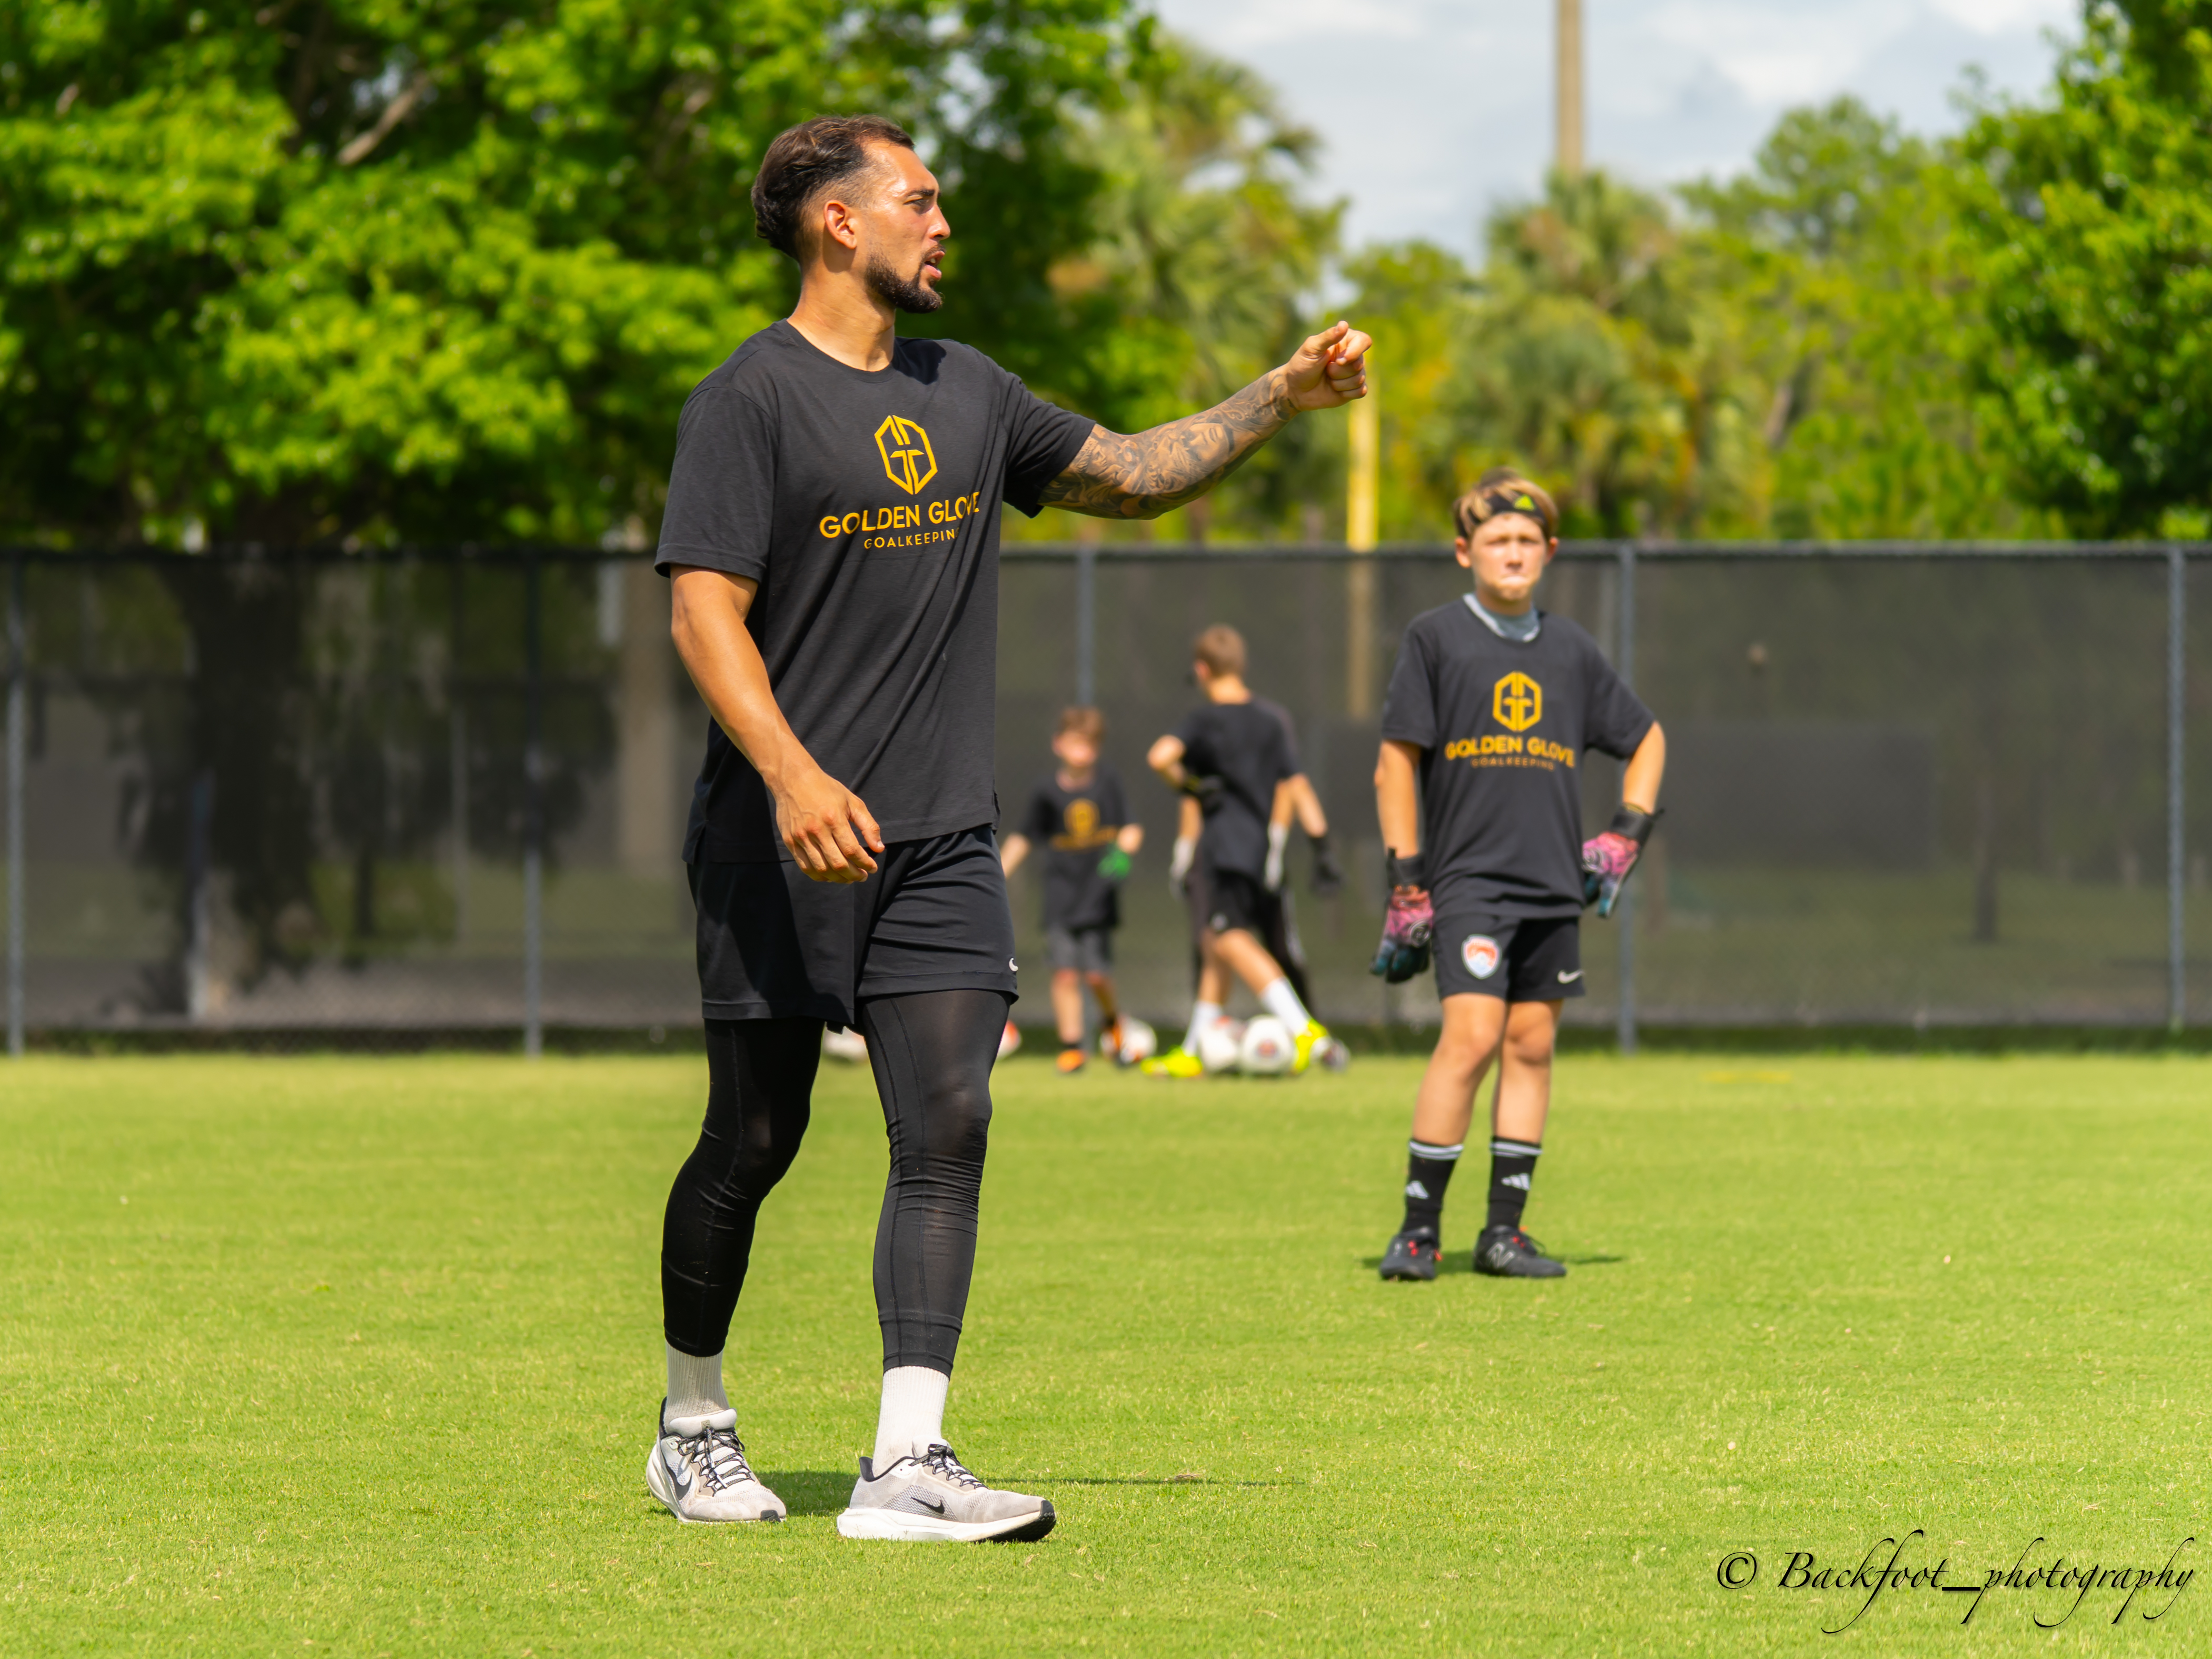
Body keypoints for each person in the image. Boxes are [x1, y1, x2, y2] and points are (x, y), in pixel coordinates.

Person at [647, 112, 1371, 1539]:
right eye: (920, 198)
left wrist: (1279, 394)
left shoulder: (970, 389)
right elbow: (699, 611)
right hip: (778, 835)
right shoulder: (747, 400)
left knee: (952, 1117)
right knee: (756, 1130)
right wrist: (793, 777)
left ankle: (906, 1458)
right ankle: (692, 1420)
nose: (943, 222)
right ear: (836, 222)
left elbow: (1137, 472)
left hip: (940, 834)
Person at [1369, 474, 1665, 1281]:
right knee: (1470, 1037)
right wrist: (1406, 876)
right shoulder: (1435, 639)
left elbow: (1645, 737)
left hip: (1551, 883)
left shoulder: (1570, 649)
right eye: (1496, 540)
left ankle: (1504, 1232)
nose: (1512, 553)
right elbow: (1395, 762)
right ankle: (1418, 1231)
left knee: (1531, 1045)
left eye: (1527, 541)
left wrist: (1626, 831)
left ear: (1550, 552)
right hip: (1467, 880)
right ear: (1465, 551)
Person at [1142, 625, 1338, 1078]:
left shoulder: (1203, 720)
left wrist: (1190, 784)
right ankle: (1194, 1049)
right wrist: (1321, 846)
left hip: (1222, 845)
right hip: (1257, 843)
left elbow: (1159, 757)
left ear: (1201, 669)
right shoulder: (1272, 718)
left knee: (1230, 936)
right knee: (1215, 944)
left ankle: (1304, 1028)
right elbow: (1295, 782)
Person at [999, 706, 1144, 1072]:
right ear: (1058, 745)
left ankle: (1113, 1027)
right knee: (1064, 973)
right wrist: (996, 872)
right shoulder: (1045, 791)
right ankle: (1072, 1047)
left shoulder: (1108, 783)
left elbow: (1131, 829)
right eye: (1075, 743)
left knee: (1096, 974)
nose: (1082, 751)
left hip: (1097, 897)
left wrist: (1124, 850)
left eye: (1090, 744)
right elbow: (1023, 837)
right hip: (1060, 898)